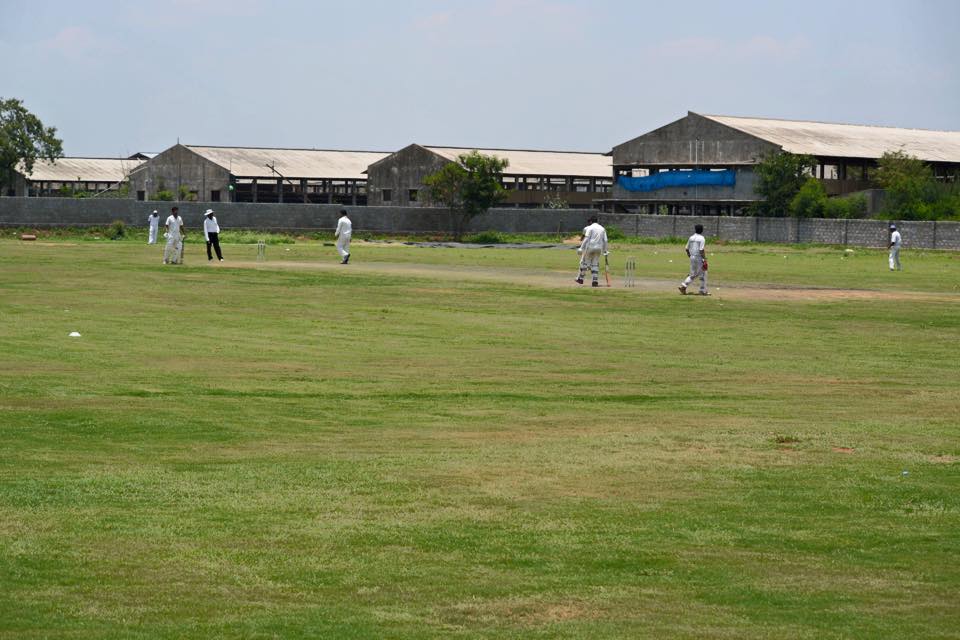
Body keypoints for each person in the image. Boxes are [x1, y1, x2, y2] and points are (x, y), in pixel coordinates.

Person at [575, 216, 608, 287]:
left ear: (591, 222)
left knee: (584, 263)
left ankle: (581, 279)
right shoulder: (602, 228)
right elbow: (605, 240)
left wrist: (581, 248)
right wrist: (605, 250)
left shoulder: (590, 228)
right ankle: (595, 280)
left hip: (590, 247)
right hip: (599, 248)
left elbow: (586, 239)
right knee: (595, 264)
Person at [679, 224, 709, 295]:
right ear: (702, 230)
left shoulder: (691, 237)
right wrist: (704, 259)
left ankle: (683, 286)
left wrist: (690, 255)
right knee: (703, 273)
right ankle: (702, 291)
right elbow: (701, 250)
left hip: (692, 257)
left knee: (693, 274)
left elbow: (686, 248)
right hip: (699, 257)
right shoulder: (702, 238)